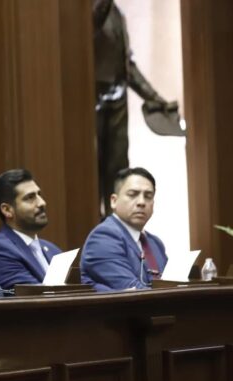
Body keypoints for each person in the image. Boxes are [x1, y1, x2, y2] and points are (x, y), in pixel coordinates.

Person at [93, 0, 179, 214]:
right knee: (92, 174)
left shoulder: (117, 13)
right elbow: (93, 23)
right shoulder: (89, 11)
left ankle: (116, 225)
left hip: (117, 103)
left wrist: (154, 98)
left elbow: (127, 67)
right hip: (92, 103)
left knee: (118, 171)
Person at [80, 167, 167, 291]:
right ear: (114, 201)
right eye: (132, 194)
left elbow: (171, 284)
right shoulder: (103, 237)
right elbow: (133, 291)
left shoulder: (155, 243)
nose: (141, 202)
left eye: (148, 196)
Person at [0, 169, 62, 290]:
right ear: (7, 210)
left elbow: (82, 286)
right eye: (30, 197)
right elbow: (35, 294)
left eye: (39, 194)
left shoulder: (53, 250)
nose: (42, 203)